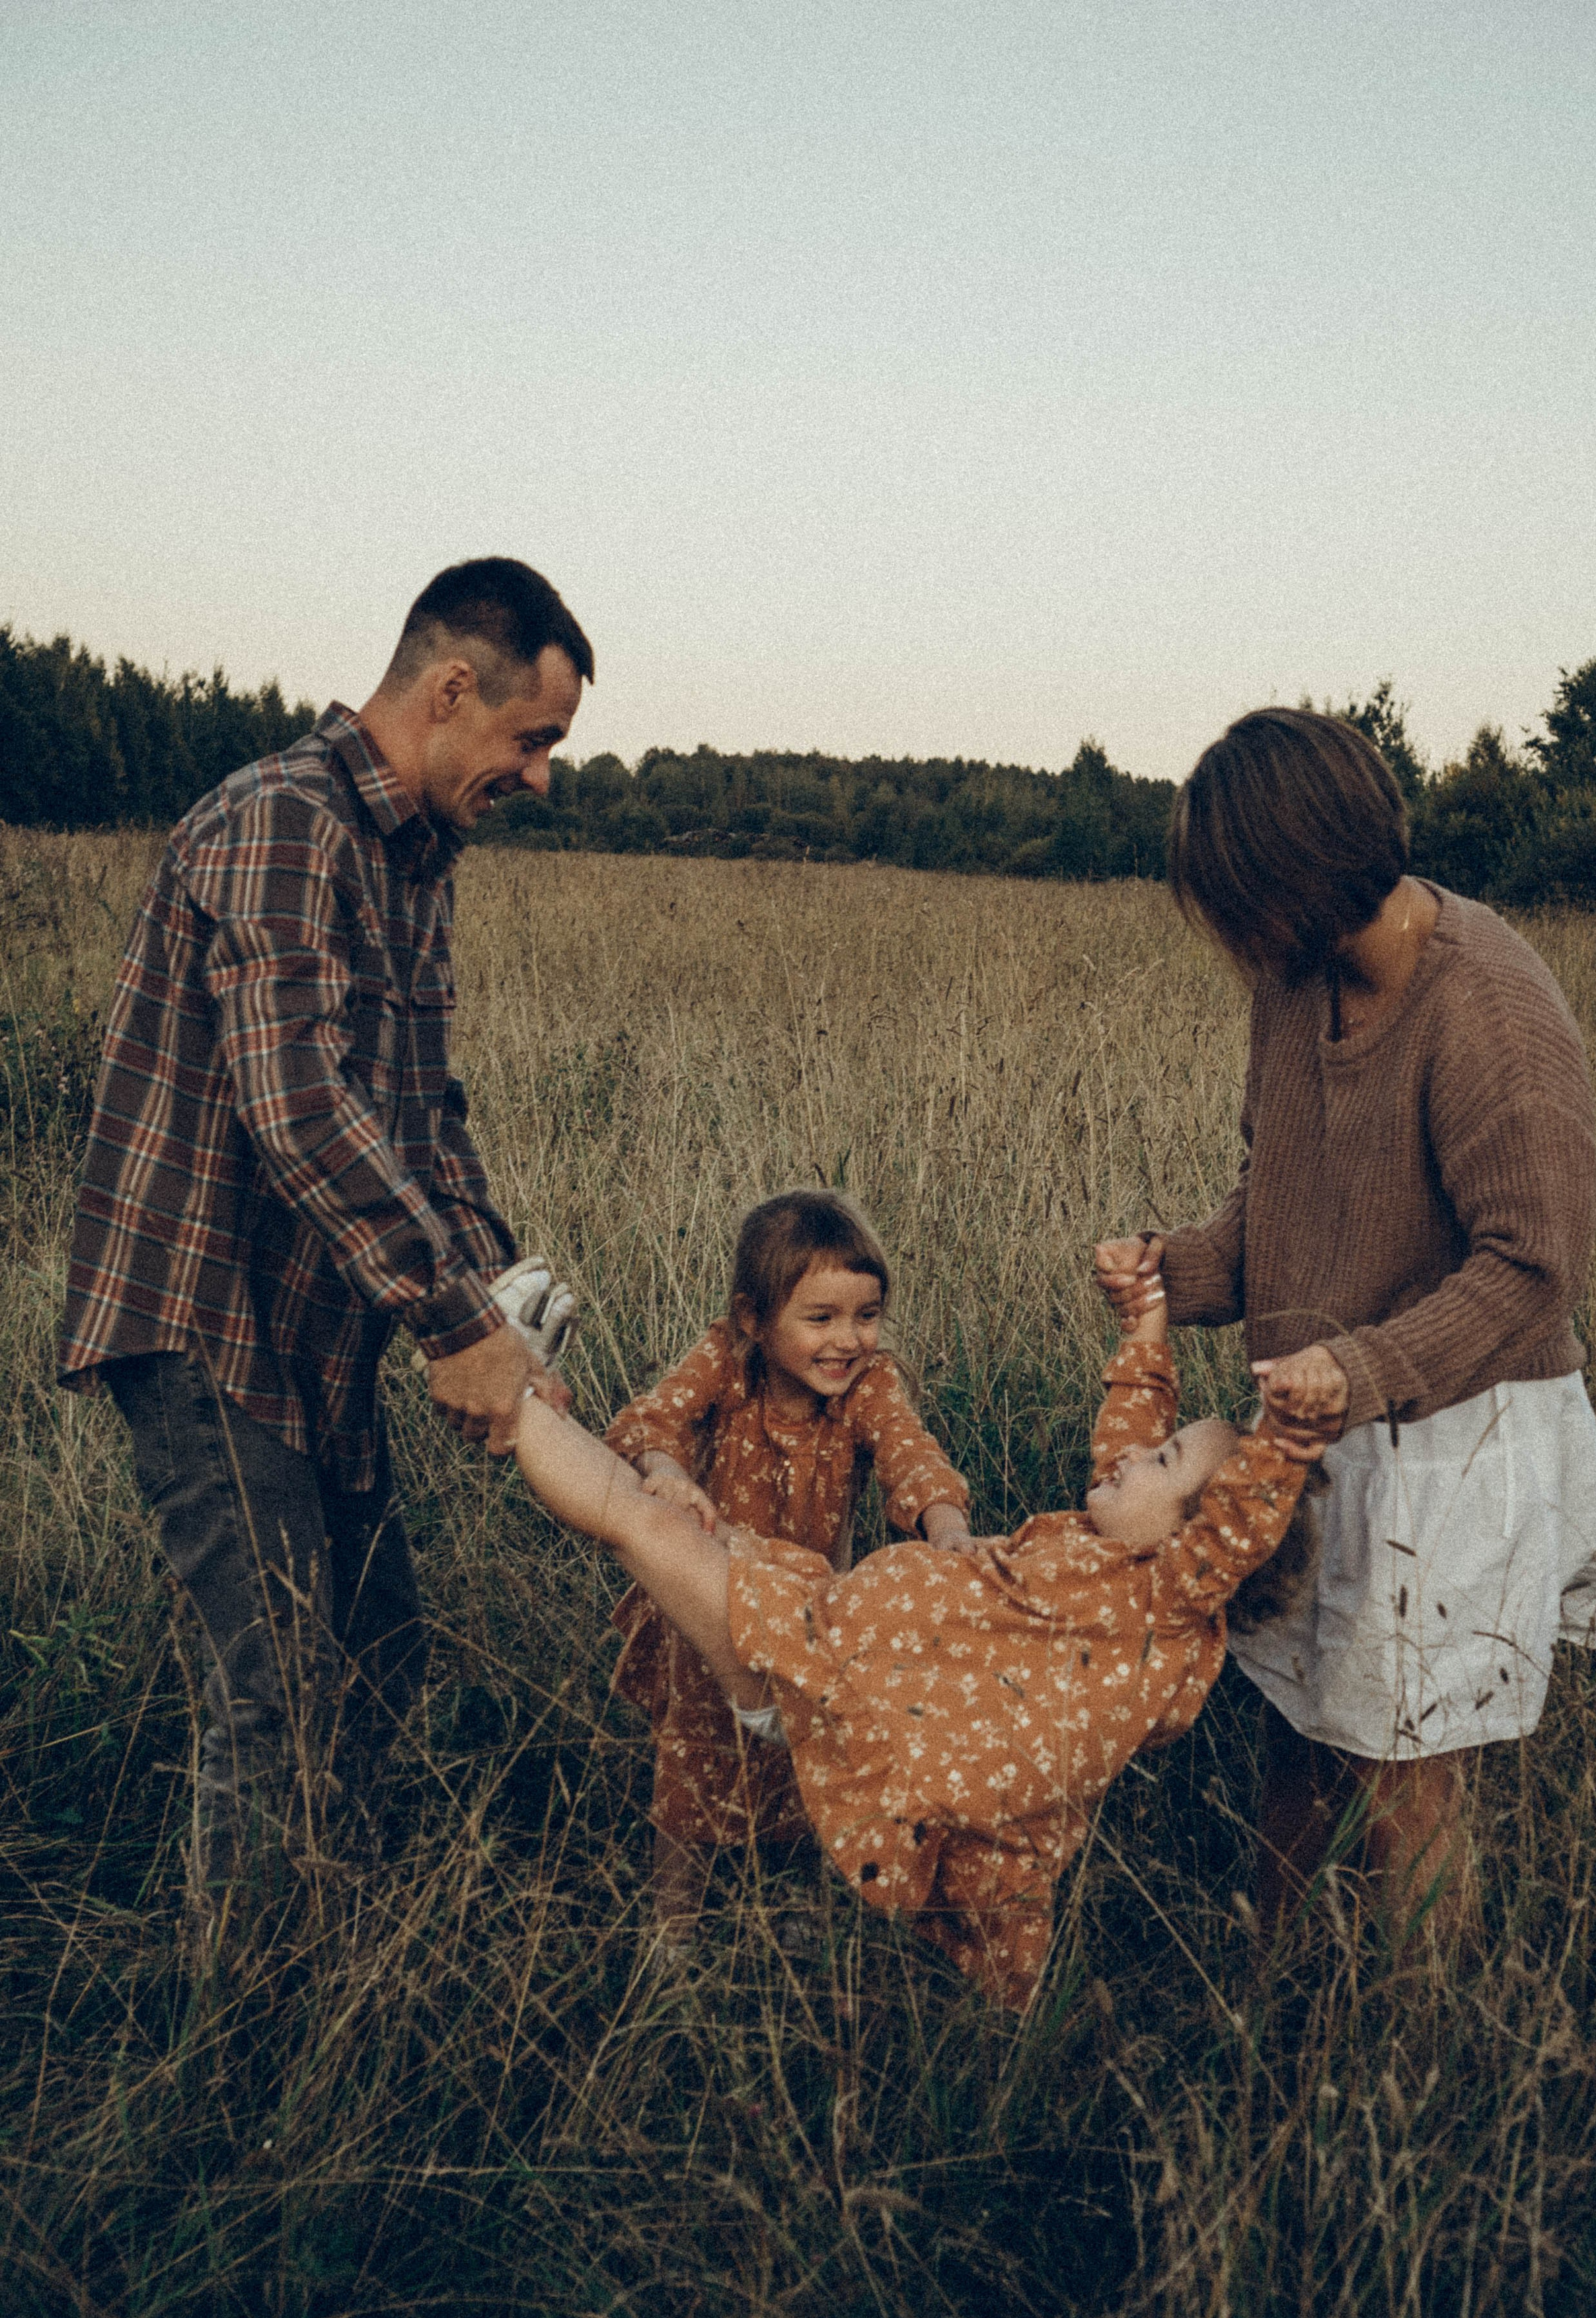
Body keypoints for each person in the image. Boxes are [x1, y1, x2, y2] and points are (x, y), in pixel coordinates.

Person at [58, 557, 589, 1906]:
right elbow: (294, 1104)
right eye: (533, 740)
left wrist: (500, 1299)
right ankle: (239, 2061)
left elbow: (417, 1108)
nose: (541, 777)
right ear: (451, 688)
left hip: (317, 1329)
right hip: (205, 1321)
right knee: (281, 1700)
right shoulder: (285, 820)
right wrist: (451, 1320)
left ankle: (342, 1962)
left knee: (377, 1660)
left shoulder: (420, 857)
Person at [1097, 707, 1596, 1943]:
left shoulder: (1487, 1007)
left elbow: (1536, 1267)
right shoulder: (1296, 986)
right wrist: (1170, 1270)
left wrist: (1369, 1366)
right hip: (1321, 1420)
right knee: (1297, 1730)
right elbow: (1284, 1201)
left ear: (1293, 881)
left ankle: (1424, 2071)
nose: (1225, 935)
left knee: (1402, 1780)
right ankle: (1274, 1991)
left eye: (1232, 899)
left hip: (1452, 1442)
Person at [518, 1250, 1320, 2009]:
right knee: (658, 1519)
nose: (1131, 1456)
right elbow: (1129, 1430)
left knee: (639, 1526)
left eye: (1165, 1460)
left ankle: (508, 1391)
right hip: (823, 1629)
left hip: (833, 1690)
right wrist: (1145, 1322)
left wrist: (1284, 1444)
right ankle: (517, 1388)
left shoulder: (1160, 1601)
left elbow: (1234, 1527)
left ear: (1203, 1541)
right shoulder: (1109, 1544)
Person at [603, 1189, 973, 1951]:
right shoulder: (725, 1364)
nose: (846, 1341)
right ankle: (672, 1933)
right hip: (710, 1600)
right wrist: (668, 1472)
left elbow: (912, 1454)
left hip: (811, 1609)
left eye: (865, 1316)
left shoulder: (868, 1388)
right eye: (820, 1318)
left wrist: (949, 1529)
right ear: (753, 1319)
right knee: (694, 1759)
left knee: (817, 1758)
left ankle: (804, 1913)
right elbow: (653, 1418)